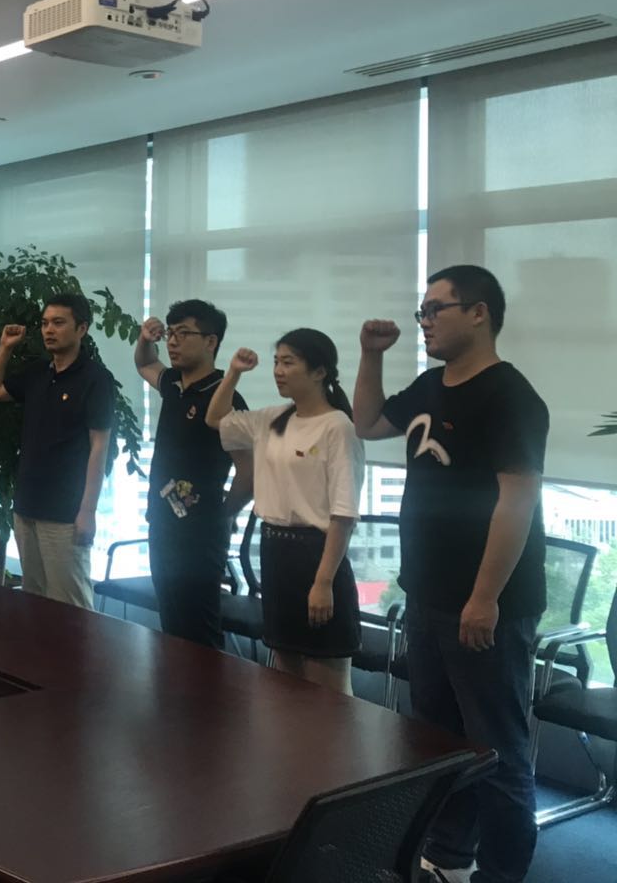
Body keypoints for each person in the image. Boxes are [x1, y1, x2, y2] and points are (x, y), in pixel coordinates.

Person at [353, 266, 547, 883]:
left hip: (487, 605)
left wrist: (485, 597)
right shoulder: (430, 385)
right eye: (422, 311)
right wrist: (370, 355)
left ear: (479, 313)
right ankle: (450, 858)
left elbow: (517, 501)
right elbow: (367, 424)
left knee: (497, 748)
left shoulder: (510, 396)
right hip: (429, 596)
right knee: (438, 741)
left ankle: (502, 874)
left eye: (436, 309)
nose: (425, 321)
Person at [206, 328, 364, 694]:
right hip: (275, 552)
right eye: (276, 362)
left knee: (327, 688)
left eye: (288, 362)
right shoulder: (273, 418)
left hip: (317, 556)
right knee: (284, 680)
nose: (278, 371)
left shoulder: (338, 426)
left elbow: (343, 513)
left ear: (319, 371)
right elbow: (216, 418)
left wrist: (323, 582)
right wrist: (234, 372)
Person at [0, 293, 116, 610]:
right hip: (27, 504)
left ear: (81, 328)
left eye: (58, 323)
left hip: (66, 510)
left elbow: (99, 448)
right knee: (34, 600)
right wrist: (5, 347)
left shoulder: (96, 379)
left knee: (70, 606)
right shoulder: (38, 373)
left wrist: (88, 511)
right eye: (44, 323)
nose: (49, 330)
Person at [133, 299, 254, 648]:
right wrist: (145, 338)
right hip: (162, 522)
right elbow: (145, 363)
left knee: (198, 630)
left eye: (183, 334)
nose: (172, 342)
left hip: (200, 534)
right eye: (170, 333)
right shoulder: (173, 383)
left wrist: (224, 513)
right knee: (171, 624)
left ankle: (208, 686)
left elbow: (249, 471)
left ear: (211, 341)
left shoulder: (225, 397)